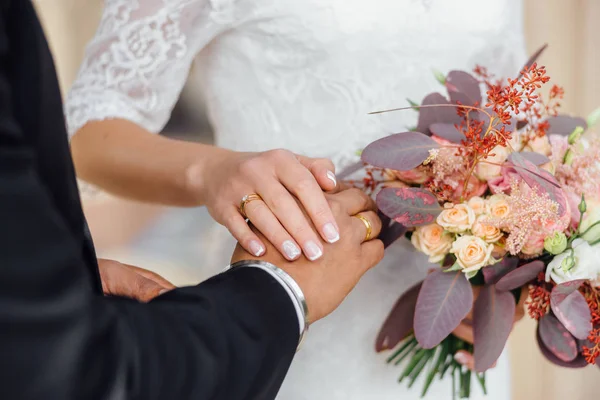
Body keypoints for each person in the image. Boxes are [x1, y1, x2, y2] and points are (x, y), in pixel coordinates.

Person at [66, 0, 528, 398]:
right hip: (287, 314)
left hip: (449, 325)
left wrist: (506, 270)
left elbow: (508, 121)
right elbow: (87, 135)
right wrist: (213, 171)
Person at [0, 1, 384, 399]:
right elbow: (88, 131)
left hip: (432, 319)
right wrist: (211, 172)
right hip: (271, 324)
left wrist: (454, 262)